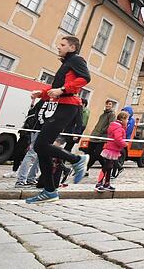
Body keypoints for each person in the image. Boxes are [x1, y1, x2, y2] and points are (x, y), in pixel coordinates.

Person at [25, 36, 90, 204]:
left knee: (40, 145)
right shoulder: (66, 63)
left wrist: (62, 89)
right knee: (41, 148)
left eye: (62, 44)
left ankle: (77, 160)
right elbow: (57, 88)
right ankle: (49, 191)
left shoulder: (76, 59)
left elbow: (85, 78)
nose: (58, 47)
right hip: (62, 106)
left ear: (72, 47)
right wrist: (43, 93)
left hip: (69, 107)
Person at [96, 110, 128, 192]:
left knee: (109, 167)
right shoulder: (119, 128)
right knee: (106, 167)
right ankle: (99, 183)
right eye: (127, 119)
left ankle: (107, 183)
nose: (127, 121)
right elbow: (118, 139)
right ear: (123, 119)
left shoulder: (114, 126)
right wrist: (124, 144)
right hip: (112, 150)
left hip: (112, 149)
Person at [87, 100, 116, 171]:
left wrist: (102, 131)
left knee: (96, 154)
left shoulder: (112, 114)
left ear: (112, 106)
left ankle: (86, 168)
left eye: (109, 104)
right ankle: (105, 168)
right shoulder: (102, 115)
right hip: (95, 135)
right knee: (90, 153)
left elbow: (110, 125)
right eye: (107, 104)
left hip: (102, 137)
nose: (108, 105)